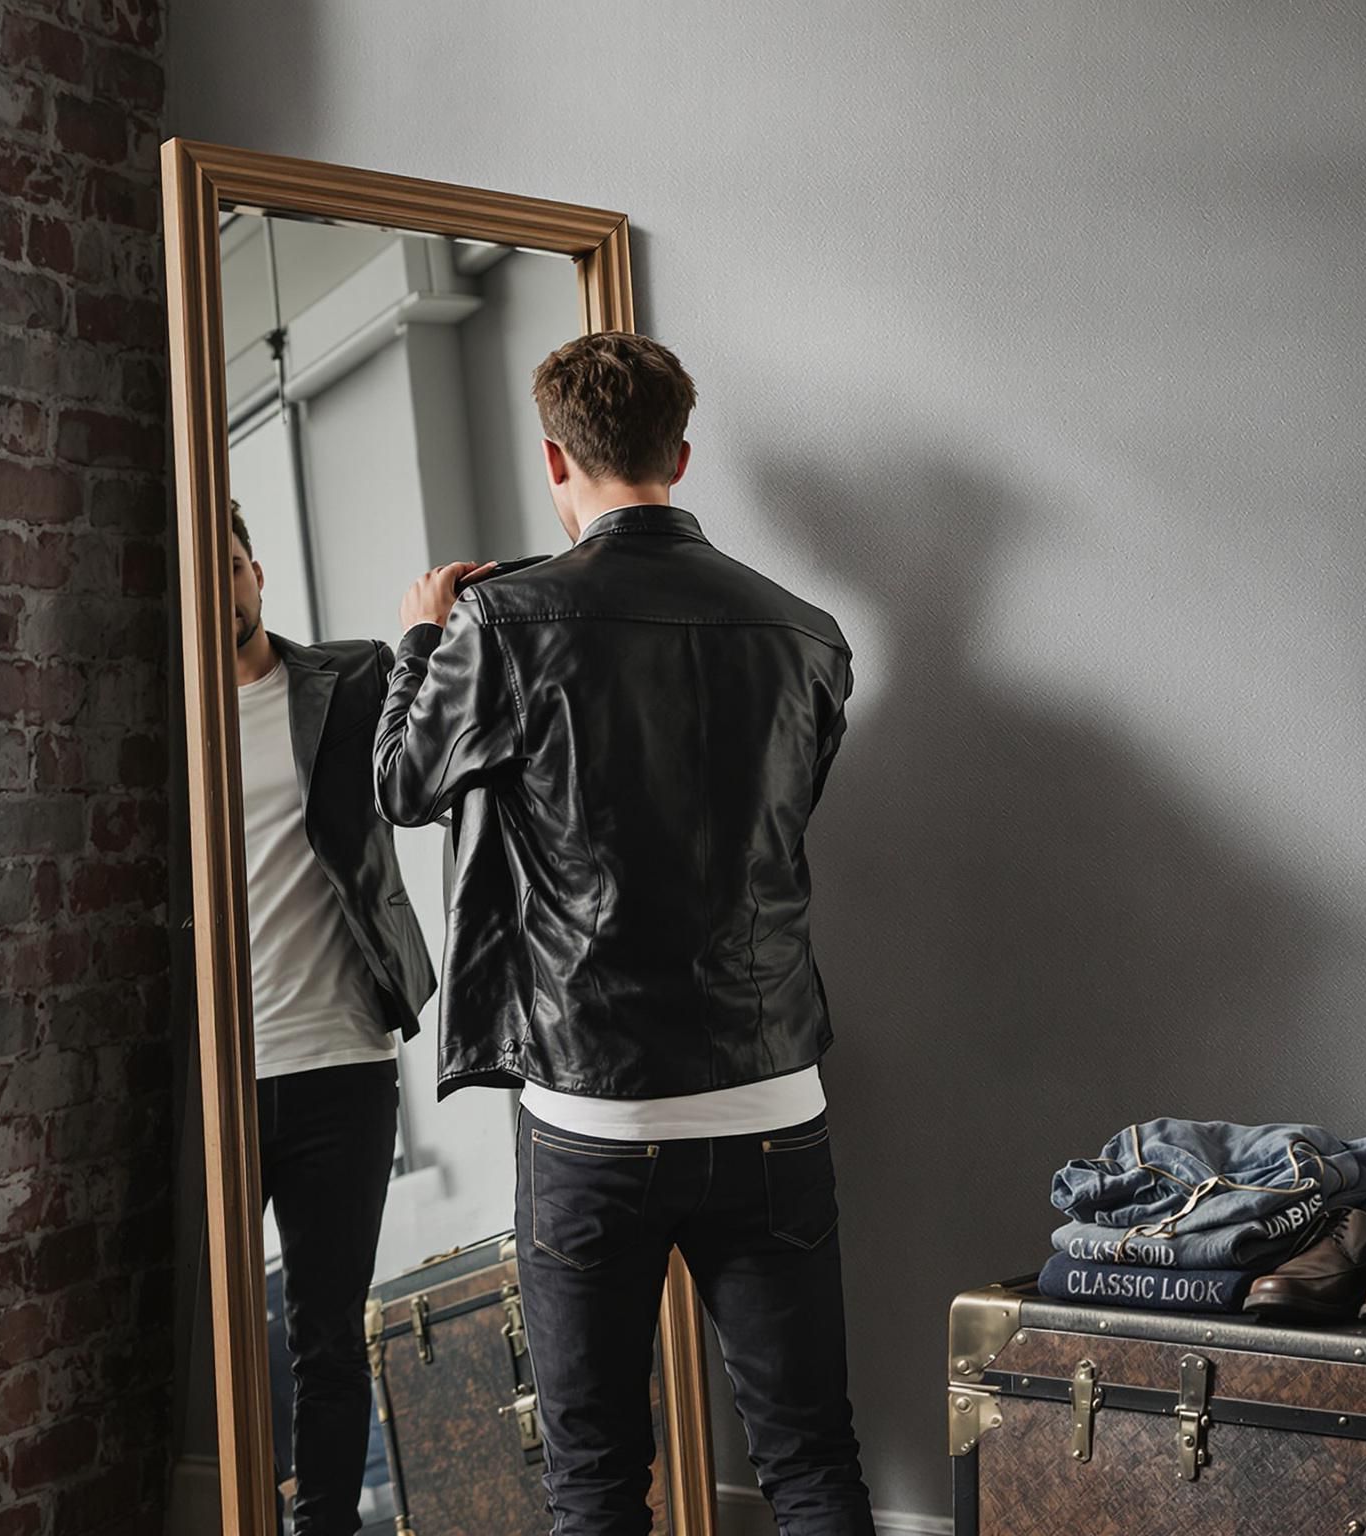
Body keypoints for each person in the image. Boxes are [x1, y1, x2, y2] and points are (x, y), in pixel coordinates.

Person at [374, 333, 874, 1535]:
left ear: (555, 455)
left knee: (595, 1480)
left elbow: (401, 783)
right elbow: (786, 820)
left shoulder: (504, 620)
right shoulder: (807, 634)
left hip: (594, 1117)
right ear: (681, 456)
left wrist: (421, 639)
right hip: (769, 1102)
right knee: (811, 1461)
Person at [227, 504, 438, 1536]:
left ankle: (327, 1529)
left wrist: (428, 632)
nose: (221, 589)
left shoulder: (347, 685)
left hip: (341, 1065)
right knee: (219, 1343)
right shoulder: (163, 732)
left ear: (257, 574)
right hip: (221, 1081)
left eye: (231, 567)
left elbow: (423, 758)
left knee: (325, 1332)